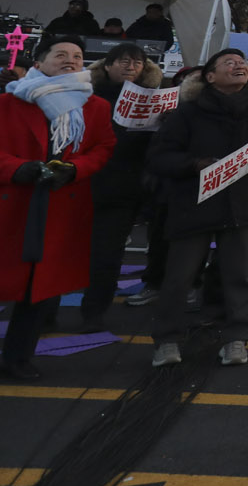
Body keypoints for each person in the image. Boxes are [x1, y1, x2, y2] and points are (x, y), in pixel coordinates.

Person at [147, 48, 248, 367]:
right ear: (210, 76)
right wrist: (194, 164)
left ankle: (235, 340)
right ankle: (167, 340)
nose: (238, 65)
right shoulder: (187, 113)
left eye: (242, 62)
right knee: (179, 277)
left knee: (239, 276)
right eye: (228, 62)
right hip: (194, 205)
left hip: (243, 205)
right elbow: (160, 157)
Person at [0, 38, 116, 379]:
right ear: (39, 62)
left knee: (39, 286)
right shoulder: (9, 101)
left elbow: (104, 146)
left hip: (57, 204)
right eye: (61, 55)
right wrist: (16, 168)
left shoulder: (95, 106)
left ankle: (17, 358)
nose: (71, 61)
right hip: (13, 200)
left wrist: (76, 169)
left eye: (77, 56)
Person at [79, 42, 169, 329]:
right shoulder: (84, 95)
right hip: (79, 183)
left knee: (107, 254)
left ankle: (94, 312)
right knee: (63, 250)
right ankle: (44, 310)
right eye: (124, 61)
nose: (131, 67)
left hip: (123, 189)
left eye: (137, 63)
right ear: (107, 65)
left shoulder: (154, 99)